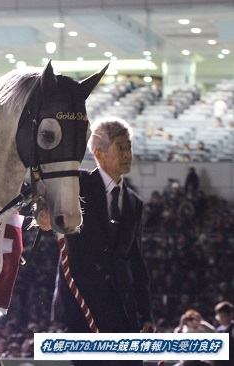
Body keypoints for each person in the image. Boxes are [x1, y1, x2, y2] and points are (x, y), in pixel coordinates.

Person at [51, 117, 154, 366]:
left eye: (129, 146)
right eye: (120, 147)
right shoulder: (77, 185)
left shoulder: (134, 203)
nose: (128, 153)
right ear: (99, 153)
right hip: (83, 309)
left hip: (124, 310)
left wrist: (146, 314)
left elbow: (136, 261)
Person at [214, 301, 234, 366]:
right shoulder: (218, 330)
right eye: (219, 316)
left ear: (231, 315)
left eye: (223, 316)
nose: (221, 319)